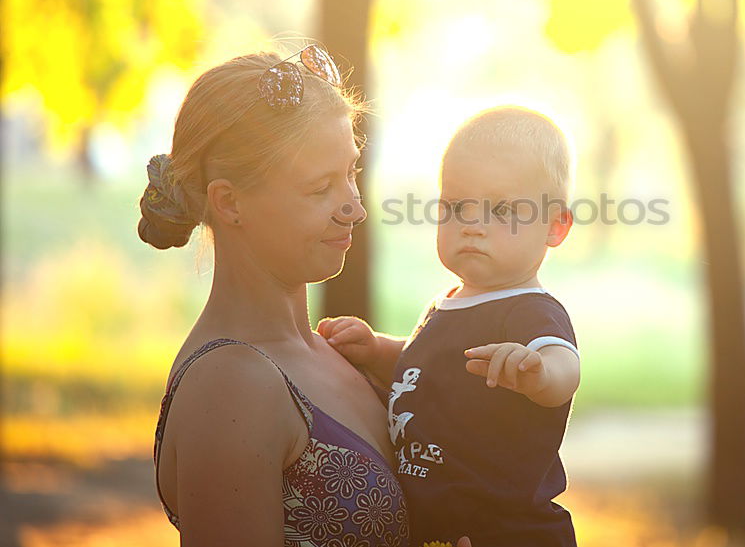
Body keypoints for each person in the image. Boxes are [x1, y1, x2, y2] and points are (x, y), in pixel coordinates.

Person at [141, 46, 425, 547]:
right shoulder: (229, 385)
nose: (355, 210)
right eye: (321, 189)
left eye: (352, 173)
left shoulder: (340, 352)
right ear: (229, 202)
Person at [320, 106, 581, 547]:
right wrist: (376, 349)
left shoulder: (529, 310)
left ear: (555, 226)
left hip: (508, 530)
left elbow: (565, 368)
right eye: (456, 207)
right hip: (437, 528)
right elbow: (424, 365)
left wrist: (537, 372)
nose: (473, 227)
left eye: (501, 210)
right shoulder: (447, 305)